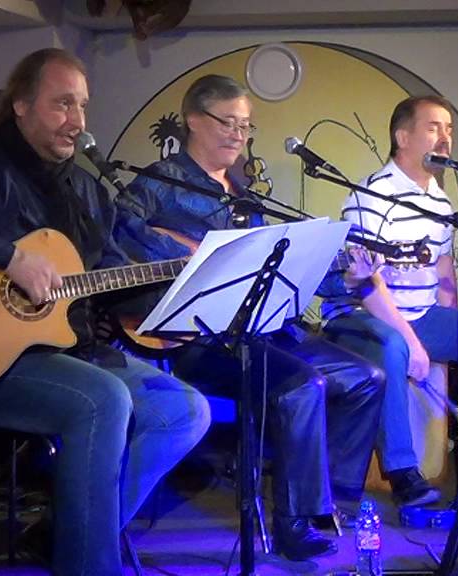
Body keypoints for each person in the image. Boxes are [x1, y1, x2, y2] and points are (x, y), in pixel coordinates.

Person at [0, 48, 210, 576]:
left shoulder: (88, 192)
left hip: (73, 352)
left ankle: (68, 536)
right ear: (21, 105)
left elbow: (113, 281)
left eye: (82, 106)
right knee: (103, 400)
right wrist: (8, 258)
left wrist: (187, 293)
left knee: (186, 411)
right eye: (62, 104)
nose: (77, 120)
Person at [113, 74, 386, 560]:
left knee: (366, 378)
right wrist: (193, 257)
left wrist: (348, 277)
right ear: (194, 120)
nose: (239, 134)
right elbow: (117, 226)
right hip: (197, 338)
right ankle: (292, 523)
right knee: (302, 386)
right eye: (228, 122)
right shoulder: (159, 182)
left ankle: (331, 502)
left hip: (260, 328)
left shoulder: (244, 196)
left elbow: (281, 272)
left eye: (245, 125)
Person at [320, 95, 458, 515]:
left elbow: (444, 270)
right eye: (433, 127)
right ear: (402, 137)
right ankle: (403, 472)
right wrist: (414, 345)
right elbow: (367, 285)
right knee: (394, 346)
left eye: (449, 129)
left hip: (421, 315)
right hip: (364, 317)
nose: (445, 138)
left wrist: (454, 325)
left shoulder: (440, 201)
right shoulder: (371, 196)